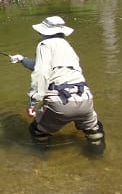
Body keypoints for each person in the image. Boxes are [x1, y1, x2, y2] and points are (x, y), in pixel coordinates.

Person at [9, 16, 105, 156]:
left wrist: (32, 103)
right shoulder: (67, 46)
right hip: (84, 97)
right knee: (93, 128)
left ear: (44, 32)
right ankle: (98, 157)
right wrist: (23, 60)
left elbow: (41, 73)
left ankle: (42, 160)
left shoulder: (44, 45)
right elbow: (55, 68)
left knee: (37, 130)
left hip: (60, 102)